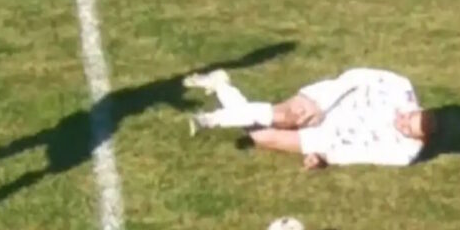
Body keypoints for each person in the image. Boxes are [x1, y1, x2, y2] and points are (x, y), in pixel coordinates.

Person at [183, 67, 436, 169]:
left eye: (406, 128)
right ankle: (210, 120)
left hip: (328, 138)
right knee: (283, 117)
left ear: (418, 138)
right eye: (408, 117)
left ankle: (221, 85)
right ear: (418, 108)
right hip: (328, 101)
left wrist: (325, 157)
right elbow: (357, 76)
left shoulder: (405, 153)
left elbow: (365, 154)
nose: (401, 122)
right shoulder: (401, 88)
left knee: (261, 136)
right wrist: (322, 104)